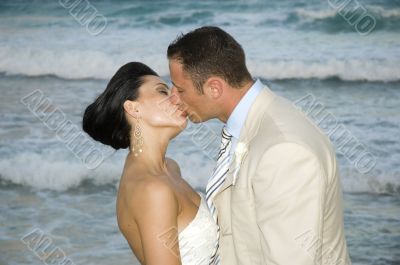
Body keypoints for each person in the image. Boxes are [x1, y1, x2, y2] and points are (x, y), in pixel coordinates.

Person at [167, 26, 352, 265]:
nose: (173, 97)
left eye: (180, 89)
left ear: (214, 88)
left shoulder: (284, 151)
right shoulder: (254, 122)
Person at [82, 62, 218, 265]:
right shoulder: (153, 189)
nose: (177, 98)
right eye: (163, 91)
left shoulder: (170, 168)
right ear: (133, 108)